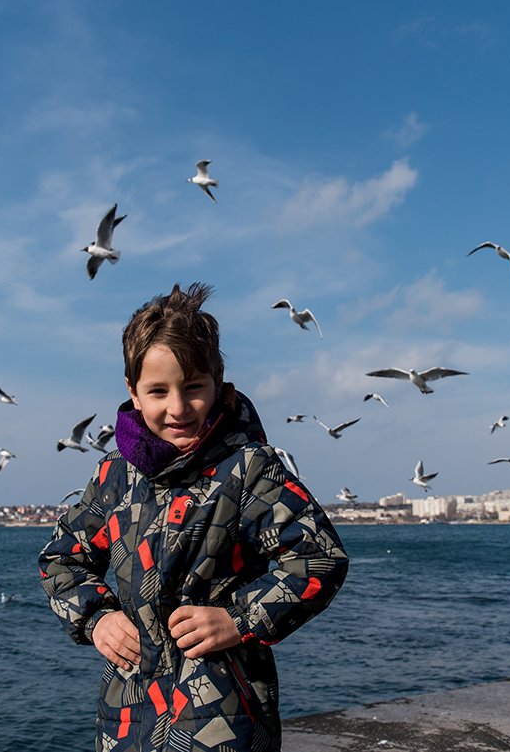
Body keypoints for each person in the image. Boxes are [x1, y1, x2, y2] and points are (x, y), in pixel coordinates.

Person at [39, 282, 349, 752]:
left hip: (225, 721)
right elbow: (61, 559)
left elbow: (319, 558)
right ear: (133, 392)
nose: (178, 408)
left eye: (193, 388)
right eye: (158, 391)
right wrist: (98, 618)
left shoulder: (247, 468)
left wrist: (237, 619)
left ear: (218, 382)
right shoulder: (114, 475)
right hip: (127, 722)